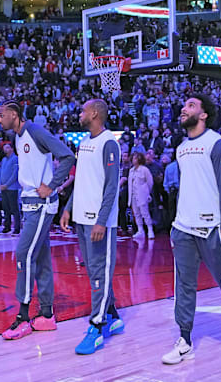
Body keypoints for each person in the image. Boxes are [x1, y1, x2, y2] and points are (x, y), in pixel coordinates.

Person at [161, 94, 221, 365]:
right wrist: (175, 224)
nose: (183, 108)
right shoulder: (181, 147)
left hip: (212, 227)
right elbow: (187, 188)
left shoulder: (216, 143)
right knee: (184, 285)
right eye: (185, 105)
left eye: (191, 105)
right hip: (183, 227)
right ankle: (185, 340)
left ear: (203, 115)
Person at [0, 100, 75, 340]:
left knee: (24, 254)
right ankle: (47, 315)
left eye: (1, 116)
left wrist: (51, 186)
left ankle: (22, 317)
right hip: (29, 203)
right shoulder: (18, 138)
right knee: (40, 260)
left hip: (41, 205)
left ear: (13, 114)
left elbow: (68, 156)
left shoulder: (35, 131)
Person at [60, 99, 124, 355]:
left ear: (95, 113)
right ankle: (112, 316)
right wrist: (68, 208)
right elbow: (82, 181)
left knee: (100, 272)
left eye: (83, 110)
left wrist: (102, 219)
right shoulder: (85, 143)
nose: (80, 114)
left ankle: (96, 327)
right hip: (81, 219)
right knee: (93, 272)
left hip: (100, 222)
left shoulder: (109, 143)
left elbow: (111, 186)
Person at [128, 152, 155, 239]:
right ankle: (140, 230)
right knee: (136, 214)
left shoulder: (144, 170)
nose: (133, 160)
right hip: (133, 195)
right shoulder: (131, 170)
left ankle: (150, 230)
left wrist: (146, 192)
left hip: (142, 195)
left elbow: (150, 182)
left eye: (135, 158)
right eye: (133, 158)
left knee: (145, 213)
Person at [0, 143, 21, 234]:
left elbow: (15, 174)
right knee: (5, 208)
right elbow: (1, 173)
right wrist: (0, 184)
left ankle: (17, 227)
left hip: (12, 188)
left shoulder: (15, 159)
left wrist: (7, 184)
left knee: (14, 208)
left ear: (12, 149)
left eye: (8, 147)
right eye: (4, 148)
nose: (6, 149)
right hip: (3, 188)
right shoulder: (4, 159)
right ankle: (7, 226)